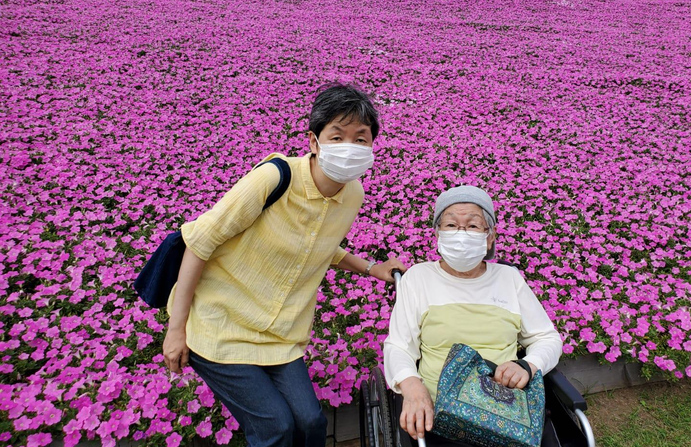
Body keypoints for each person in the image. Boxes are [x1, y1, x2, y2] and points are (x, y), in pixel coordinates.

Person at [162, 83, 406, 447]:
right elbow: (199, 242)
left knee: (309, 422)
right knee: (275, 427)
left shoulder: (353, 192)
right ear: (313, 141)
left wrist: (371, 268)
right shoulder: (274, 178)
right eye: (337, 136)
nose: (350, 148)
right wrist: (176, 328)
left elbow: (322, 246)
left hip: (280, 333)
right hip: (219, 325)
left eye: (361, 138)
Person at [383, 185, 563, 444]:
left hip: (505, 413)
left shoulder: (508, 278)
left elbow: (547, 338)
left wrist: (527, 365)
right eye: (451, 225)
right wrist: (412, 387)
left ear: (490, 236)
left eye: (473, 226)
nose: (461, 234)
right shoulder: (419, 278)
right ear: (437, 234)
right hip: (440, 412)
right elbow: (399, 346)